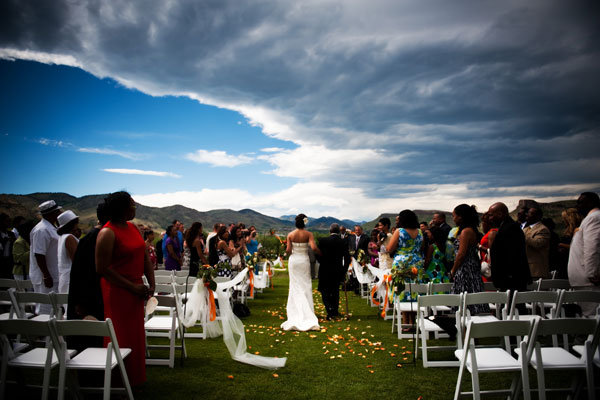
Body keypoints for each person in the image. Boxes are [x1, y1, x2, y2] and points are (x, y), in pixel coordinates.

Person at [95, 191, 155, 387]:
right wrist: (132, 287)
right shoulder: (107, 233)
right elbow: (102, 269)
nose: (134, 208)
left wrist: (151, 282)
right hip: (118, 291)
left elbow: (144, 256)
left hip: (136, 289)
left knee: (135, 334)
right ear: (121, 208)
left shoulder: (133, 228)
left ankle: (134, 379)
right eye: (132, 205)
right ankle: (119, 382)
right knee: (119, 336)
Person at [67, 202, 109, 350]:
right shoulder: (93, 239)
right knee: (93, 339)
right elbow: (82, 273)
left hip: (97, 294)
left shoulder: (96, 236)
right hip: (92, 296)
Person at [281, 214, 321, 331]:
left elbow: (288, 251)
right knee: (305, 285)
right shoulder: (308, 234)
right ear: (305, 223)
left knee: (294, 286)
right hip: (304, 260)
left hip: (294, 261)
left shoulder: (290, 235)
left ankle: (295, 313)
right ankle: (307, 312)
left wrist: (286, 250)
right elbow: (313, 248)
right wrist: (320, 252)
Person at [388, 209, 425, 328]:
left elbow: (389, 248)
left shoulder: (400, 231)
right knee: (414, 290)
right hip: (417, 262)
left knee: (402, 290)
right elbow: (421, 247)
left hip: (402, 263)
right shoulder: (419, 232)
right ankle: (413, 321)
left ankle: (405, 322)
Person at [450, 204, 488, 314]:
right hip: (472, 267)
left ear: (460, 217)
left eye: (454, 216)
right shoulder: (472, 230)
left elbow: (461, 254)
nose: (453, 219)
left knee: (465, 298)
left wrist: (453, 270)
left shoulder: (465, 231)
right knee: (474, 294)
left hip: (465, 269)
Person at [568, 192, 600, 317]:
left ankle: (591, 337)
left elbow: (593, 247)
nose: (577, 206)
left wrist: (592, 273)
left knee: (590, 316)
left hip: (589, 280)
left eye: (580, 202)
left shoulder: (594, 218)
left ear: (591, 202)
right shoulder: (591, 218)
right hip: (585, 279)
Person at [488, 202, 531, 294]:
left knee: (513, 306)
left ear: (500, 214)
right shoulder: (506, 226)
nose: (489, 218)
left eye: (491, 215)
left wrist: (507, 276)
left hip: (511, 279)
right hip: (509, 279)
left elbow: (512, 255)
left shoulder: (510, 228)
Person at [30, 200, 62, 314]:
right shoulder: (42, 230)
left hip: (54, 273)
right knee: (46, 309)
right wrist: (46, 275)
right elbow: (39, 254)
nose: (60, 213)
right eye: (58, 212)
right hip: (47, 277)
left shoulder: (50, 227)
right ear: (51, 213)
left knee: (55, 307)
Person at [317, 223, 350, 320]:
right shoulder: (343, 242)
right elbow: (347, 259)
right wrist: (343, 270)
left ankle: (329, 310)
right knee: (335, 290)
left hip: (324, 269)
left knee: (324, 290)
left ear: (330, 231)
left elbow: (317, 255)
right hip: (338, 270)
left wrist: (322, 262)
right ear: (339, 231)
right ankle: (334, 311)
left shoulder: (322, 241)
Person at [56, 210, 80, 295]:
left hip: (64, 277)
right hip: (71, 278)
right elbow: (77, 260)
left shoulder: (62, 237)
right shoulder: (69, 238)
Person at [523, 207, 551, 279]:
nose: (527, 215)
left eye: (531, 213)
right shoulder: (526, 229)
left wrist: (522, 235)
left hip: (537, 270)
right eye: (528, 212)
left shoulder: (542, 229)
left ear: (538, 216)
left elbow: (537, 243)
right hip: (526, 269)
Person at [556, 208, 582, 278]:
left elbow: (578, 247)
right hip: (564, 261)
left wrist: (561, 245)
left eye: (564, 218)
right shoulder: (568, 229)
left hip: (573, 261)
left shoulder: (579, 229)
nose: (563, 220)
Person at [0, 213, 16, 279]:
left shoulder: (11, 234)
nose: (8, 223)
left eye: (9, 221)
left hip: (9, 262)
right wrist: (4, 241)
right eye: (6, 221)